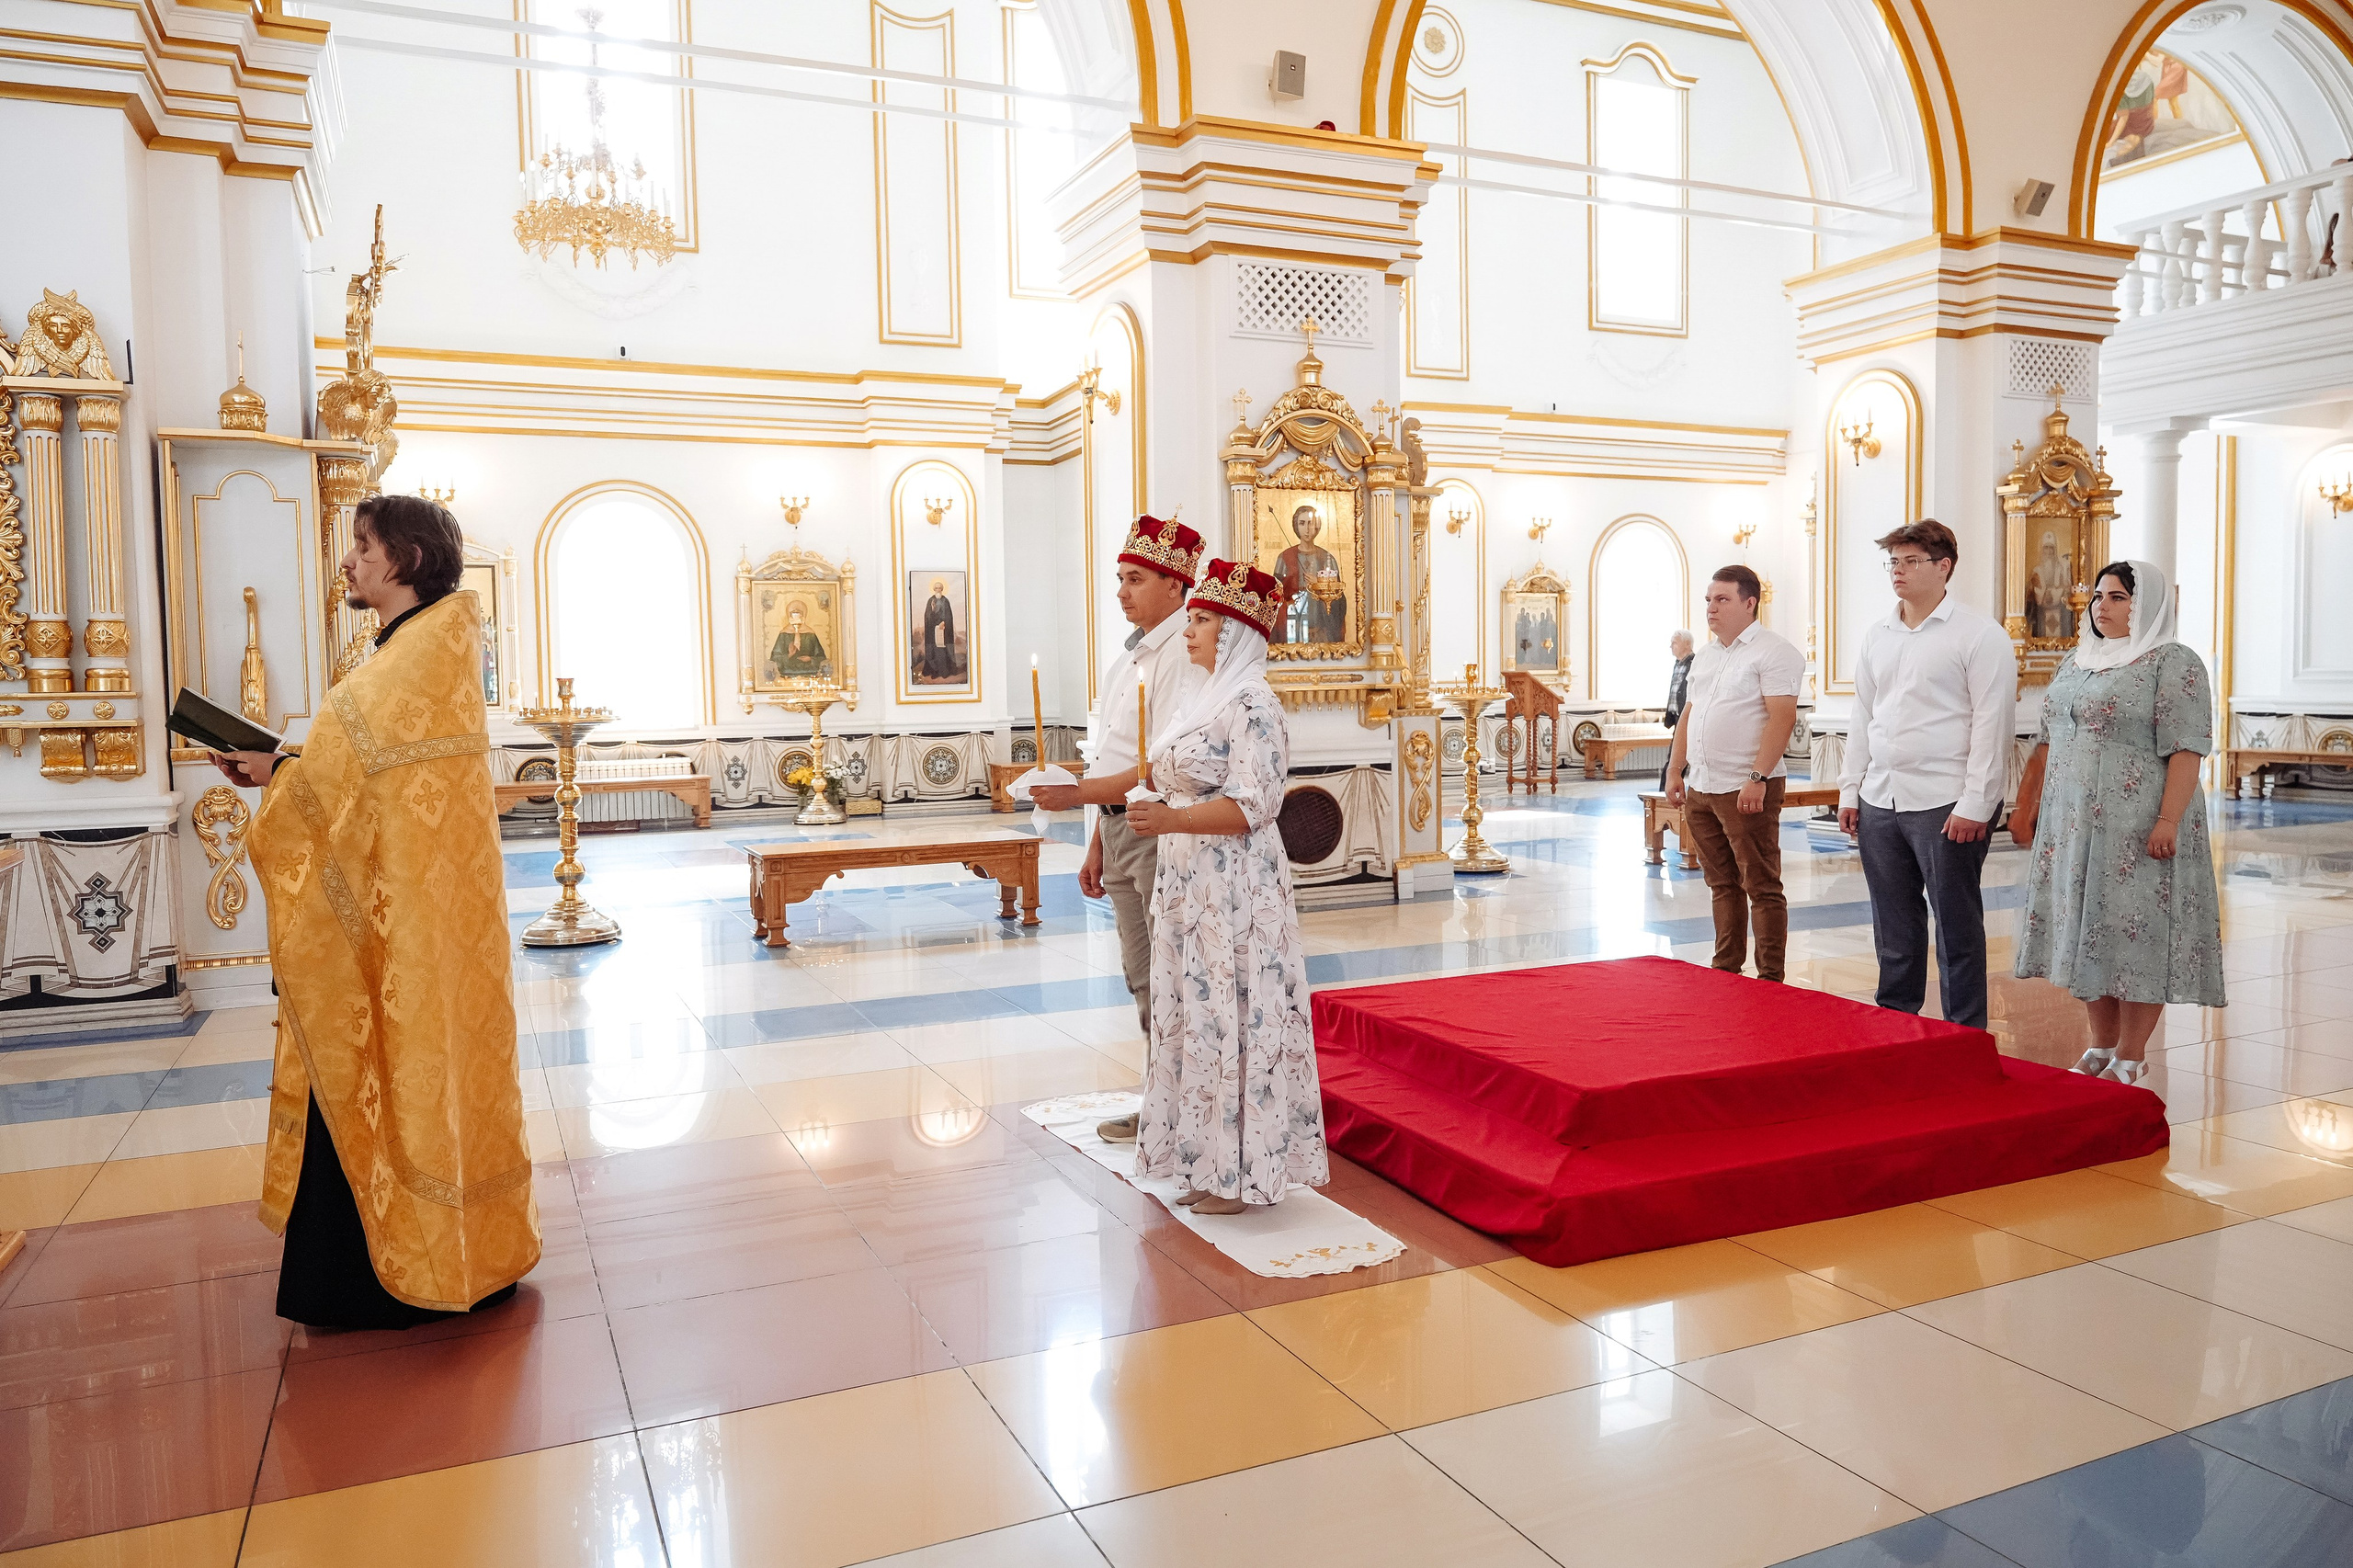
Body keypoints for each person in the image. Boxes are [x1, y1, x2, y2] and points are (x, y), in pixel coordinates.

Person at [212, 494, 539, 1328]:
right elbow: (364, 785)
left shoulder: (404, 662)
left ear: (409, 559)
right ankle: (468, 1251)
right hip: (427, 918)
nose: (349, 561)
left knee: (385, 1070)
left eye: (363, 545)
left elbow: (338, 790)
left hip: (401, 926)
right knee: (433, 1074)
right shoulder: (423, 649)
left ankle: (380, 1276)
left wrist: (278, 774)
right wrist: (284, 767)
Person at [1086, 559, 1326, 1214]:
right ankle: (1200, 1160)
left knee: (1234, 1016)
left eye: (1202, 620)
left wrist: (1172, 819)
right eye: (1190, 618)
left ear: (1237, 632)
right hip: (1189, 885)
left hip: (1235, 889)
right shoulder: (1201, 699)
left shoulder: (1254, 704)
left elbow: (1256, 803)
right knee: (1194, 1017)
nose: (1189, 630)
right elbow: (1163, 774)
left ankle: (1243, 1175)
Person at [2012, 559, 2225, 1085]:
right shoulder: (2078, 660)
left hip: (2137, 824)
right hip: (2074, 826)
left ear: (2145, 605)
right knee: (2090, 933)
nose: (2101, 607)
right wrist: (2026, 803)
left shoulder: (2172, 661)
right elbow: (2047, 740)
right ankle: (2100, 1046)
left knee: (2136, 935)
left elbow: (2187, 748)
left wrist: (2168, 820)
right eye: (2098, 597)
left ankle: (2131, 1055)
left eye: (2118, 598)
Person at [1029, 516, 1205, 1142]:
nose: (1122, 591)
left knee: (1171, 973)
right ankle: (1162, 1099)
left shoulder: (1183, 656)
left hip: (1159, 831)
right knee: (1142, 973)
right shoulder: (1130, 656)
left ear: (1174, 584)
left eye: (1135, 579)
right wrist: (1096, 840)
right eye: (1120, 579)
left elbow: (1159, 764)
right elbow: (1112, 756)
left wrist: (1077, 794)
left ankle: (1184, 1106)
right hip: (1120, 830)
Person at [1837, 521, 2018, 1031]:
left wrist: (1977, 803)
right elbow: (1862, 716)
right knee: (1893, 923)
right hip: (1881, 797)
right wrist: (1851, 790)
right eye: (1893, 561)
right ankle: (1896, 1024)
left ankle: (1964, 1032)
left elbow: (1993, 723)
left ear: (1944, 567)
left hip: (1946, 800)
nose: (1898, 571)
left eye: (1911, 561)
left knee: (1956, 924)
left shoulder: (1979, 634)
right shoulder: (1879, 634)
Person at [1665, 566, 1806, 983]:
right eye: (1709, 600)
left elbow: (1782, 718)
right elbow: (1690, 714)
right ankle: (1726, 971)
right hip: (1702, 784)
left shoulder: (1774, 651)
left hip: (1746, 785)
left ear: (1750, 603)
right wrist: (1675, 769)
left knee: (1761, 884)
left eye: (1722, 599)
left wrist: (1758, 777)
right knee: (1721, 883)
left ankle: (1770, 979)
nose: (1711, 608)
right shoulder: (1706, 656)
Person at [1272, 503, 1347, 644]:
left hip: (1322, 632)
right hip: (1293, 629)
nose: (1307, 529)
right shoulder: (1285, 558)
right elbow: (1274, 598)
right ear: (1296, 526)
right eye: (1302, 523)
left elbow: (1339, 601)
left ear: (1317, 526)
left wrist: (1319, 585)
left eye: (1311, 523)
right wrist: (1288, 603)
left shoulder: (1327, 558)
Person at [1658, 629, 1695, 790]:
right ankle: (1665, 793)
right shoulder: (1677, 664)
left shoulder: (1694, 663)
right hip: (1678, 718)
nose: (1671, 646)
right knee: (1674, 759)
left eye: (1674, 643)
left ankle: (1665, 794)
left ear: (1686, 644)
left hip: (1689, 719)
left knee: (1676, 760)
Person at [769, 600, 827, 679]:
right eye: (793, 614)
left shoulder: (810, 634)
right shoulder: (784, 634)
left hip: (809, 671)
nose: (796, 617)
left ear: (804, 615)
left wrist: (810, 659)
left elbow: (821, 657)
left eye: (799, 613)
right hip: (787, 672)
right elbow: (774, 658)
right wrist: (789, 655)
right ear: (789, 615)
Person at [919, 578, 961, 682]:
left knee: (943, 651)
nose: (938, 590)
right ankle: (934, 671)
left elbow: (948, 615)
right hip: (933, 631)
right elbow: (927, 616)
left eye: (940, 588)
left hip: (943, 630)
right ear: (934, 589)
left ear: (942, 589)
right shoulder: (931, 600)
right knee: (933, 651)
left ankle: (944, 672)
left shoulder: (945, 601)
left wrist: (944, 622)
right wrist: (932, 610)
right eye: (936, 588)